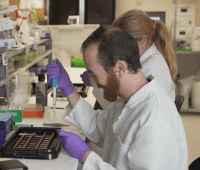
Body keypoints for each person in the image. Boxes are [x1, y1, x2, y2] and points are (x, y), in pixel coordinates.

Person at [46, 27, 188, 170]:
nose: (93, 83)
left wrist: (86, 156)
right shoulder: (128, 99)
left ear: (120, 68)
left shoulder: (155, 120)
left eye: (94, 75)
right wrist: (69, 89)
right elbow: (99, 128)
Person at [81, 9, 177, 110]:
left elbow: (119, 111)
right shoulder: (143, 59)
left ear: (144, 41)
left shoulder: (151, 70)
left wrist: (97, 83)